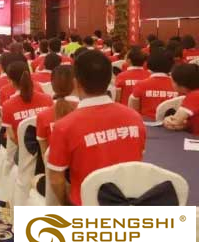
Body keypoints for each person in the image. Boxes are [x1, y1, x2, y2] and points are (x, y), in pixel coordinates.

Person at [47, 50, 146, 206]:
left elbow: (56, 179)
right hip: (130, 203)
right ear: (109, 80)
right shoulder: (135, 118)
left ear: (76, 83)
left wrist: (66, 205)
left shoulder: (64, 126)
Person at [0, 61, 54, 144]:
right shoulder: (48, 99)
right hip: (47, 146)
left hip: (22, 148)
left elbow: (12, 137)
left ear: (11, 81)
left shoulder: (7, 105)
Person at [36, 65, 78, 160]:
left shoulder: (42, 116)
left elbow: (45, 155)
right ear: (77, 83)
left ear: (52, 85)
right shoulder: (88, 111)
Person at [130, 50, 178, 119]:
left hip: (146, 123)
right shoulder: (178, 86)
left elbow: (134, 111)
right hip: (171, 123)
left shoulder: (140, 85)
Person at [163, 63, 199, 135]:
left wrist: (167, 120)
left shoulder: (194, 96)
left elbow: (174, 122)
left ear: (179, 83)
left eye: (172, 80)